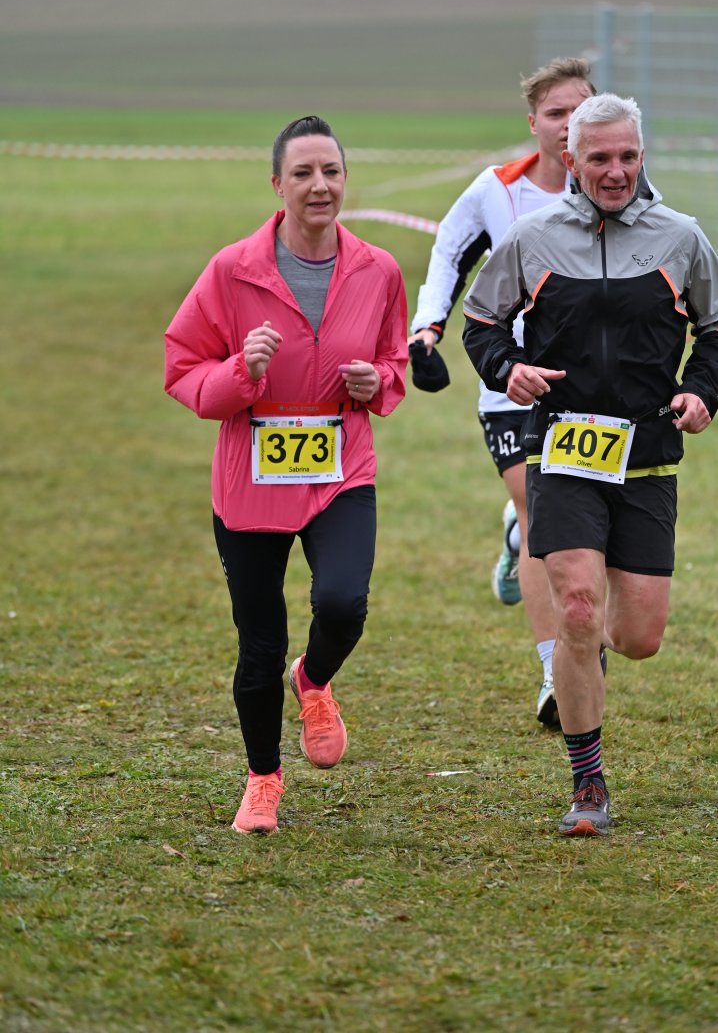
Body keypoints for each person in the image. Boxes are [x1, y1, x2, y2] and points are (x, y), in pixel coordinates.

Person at [463, 93, 718, 836]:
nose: (615, 171)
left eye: (628, 156)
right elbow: (481, 321)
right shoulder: (532, 239)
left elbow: (715, 331)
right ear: (570, 160)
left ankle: (583, 642)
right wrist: (507, 368)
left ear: (642, 157)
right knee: (577, 609)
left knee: (637, 637)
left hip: (647, 461)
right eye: (599, 158)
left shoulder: (682, 239)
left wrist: (702, 392)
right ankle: (588, 785)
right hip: (563, 451)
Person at [164, 116, 408, 835]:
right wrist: (242, 371)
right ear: (278, 185)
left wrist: (378, 382)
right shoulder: (232, 270)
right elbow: (183, 371)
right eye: (303, 173)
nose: (319, 185)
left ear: (345, 180)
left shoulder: (379, 270)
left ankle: (314, 679)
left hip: (340, 469)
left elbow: (394, 361)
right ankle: (263, 780)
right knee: (259, 643)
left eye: (331, 171)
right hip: (250, 483)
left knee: (343, 604)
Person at [409, 58, 596, 727]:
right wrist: (426, 330)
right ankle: (554, 672)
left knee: (583, 520)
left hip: (592, 385)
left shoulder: (618, 184)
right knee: (543, 512)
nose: (568, 124)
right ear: (533, 123)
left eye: (580, 111)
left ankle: (517, 538)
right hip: (509, 382)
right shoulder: (497, 190)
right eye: (556, 113)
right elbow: (449, 254)